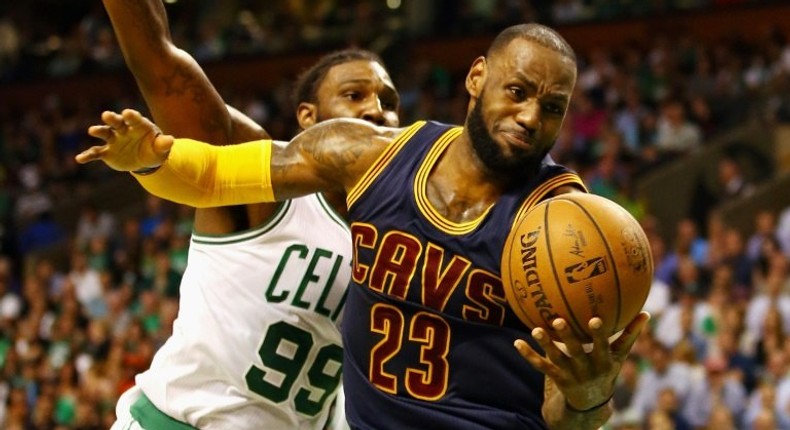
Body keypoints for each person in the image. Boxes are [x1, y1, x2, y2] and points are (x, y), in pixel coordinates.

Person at [78, 23, 650, 429]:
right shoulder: (368, 156)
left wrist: (587, 398)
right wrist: (151, 159)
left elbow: (567, 413)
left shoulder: (565, 233)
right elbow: (212, 177)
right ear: (478, 77)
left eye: (552, 107)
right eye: (518, 92)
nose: (530, 118)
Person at [100, 0, 400, 428]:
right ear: (308, 118)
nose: (376, 111)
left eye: (388, 101)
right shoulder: (263, 187)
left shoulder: (400, 238)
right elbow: (159, 62)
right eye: (353, 95)